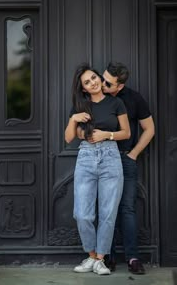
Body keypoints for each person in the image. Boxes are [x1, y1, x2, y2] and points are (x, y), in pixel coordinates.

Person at [65, 63, 130, 275]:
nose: (93, 82)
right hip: (86, 157)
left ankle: (100, 259)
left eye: (94, 77)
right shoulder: (80, 106)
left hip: (111, 157)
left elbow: (126, 133)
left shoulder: (116, 103)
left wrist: (106, 135)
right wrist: (74, 119)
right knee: (82, 214)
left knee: (108, 212)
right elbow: (68, 138)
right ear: (83, 88)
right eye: (87, 82)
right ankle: (91, 256)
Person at [101, 62, 155, 274]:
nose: (102, 84)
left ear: (120, 86)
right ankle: (108, 257)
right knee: (106, 210)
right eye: (102, 78)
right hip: (103, 159)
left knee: (127, 209)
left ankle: (133, 258)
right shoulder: (97, 95)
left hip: (125, 159)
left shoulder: (134, 98)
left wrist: (134, 154)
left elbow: (149, 129)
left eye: (108, 82)